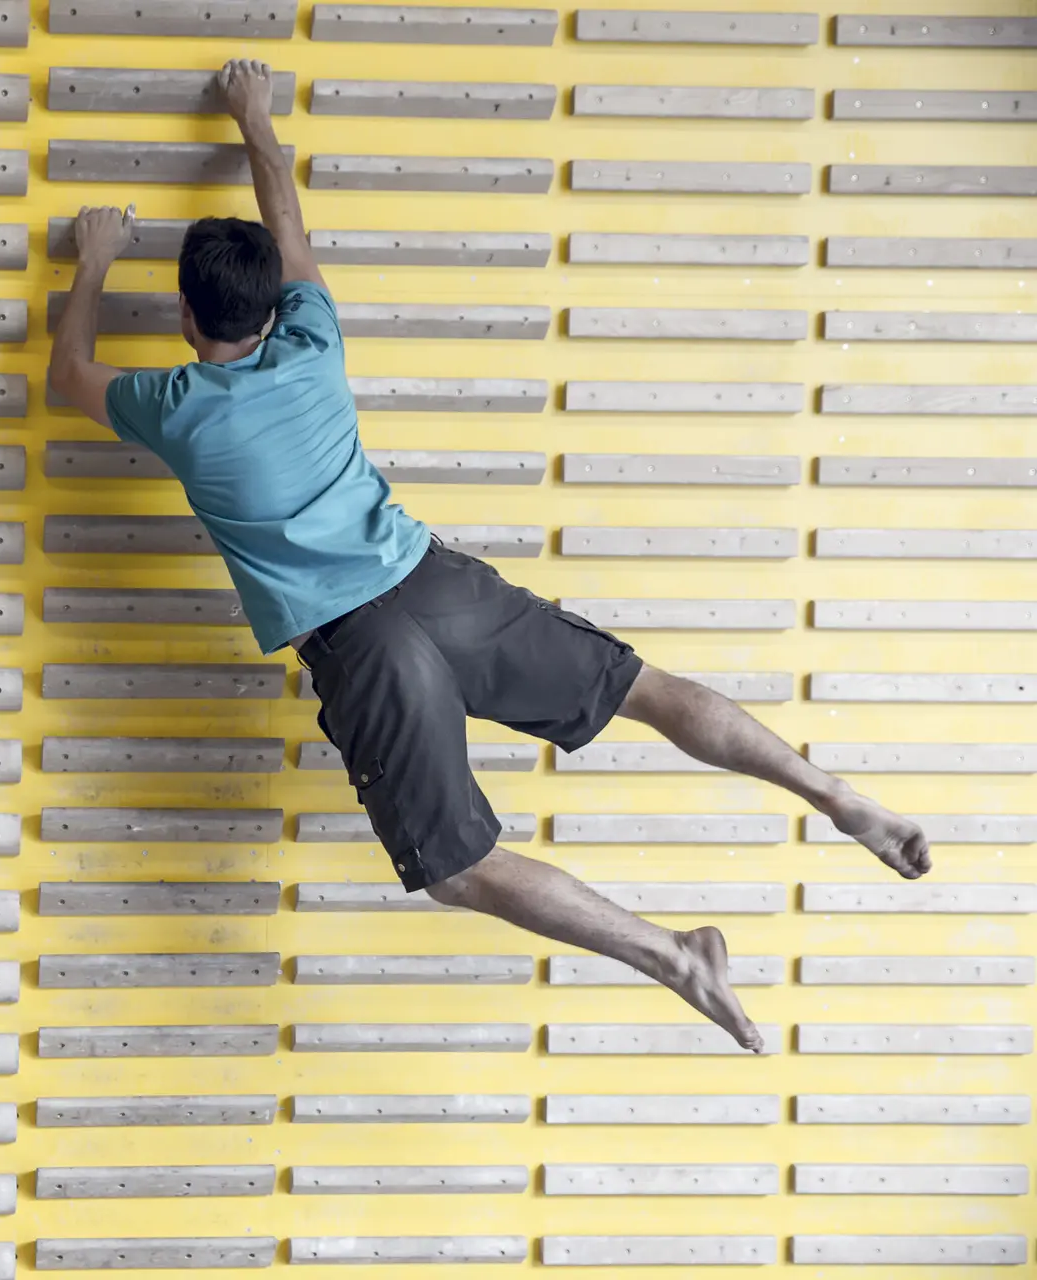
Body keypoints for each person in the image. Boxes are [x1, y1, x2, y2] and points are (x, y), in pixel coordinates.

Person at [47, 58, 932, 1051]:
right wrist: (253, 117)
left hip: (363, 646)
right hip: (436, 582)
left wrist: (96, 257)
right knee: (644, 689)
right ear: (271, 311)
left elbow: (68, 371)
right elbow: (287, 223)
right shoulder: (314, 341)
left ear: (184, 319)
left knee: (460, 868)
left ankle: (675, 956)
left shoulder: (171, 407)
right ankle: (837, 796)